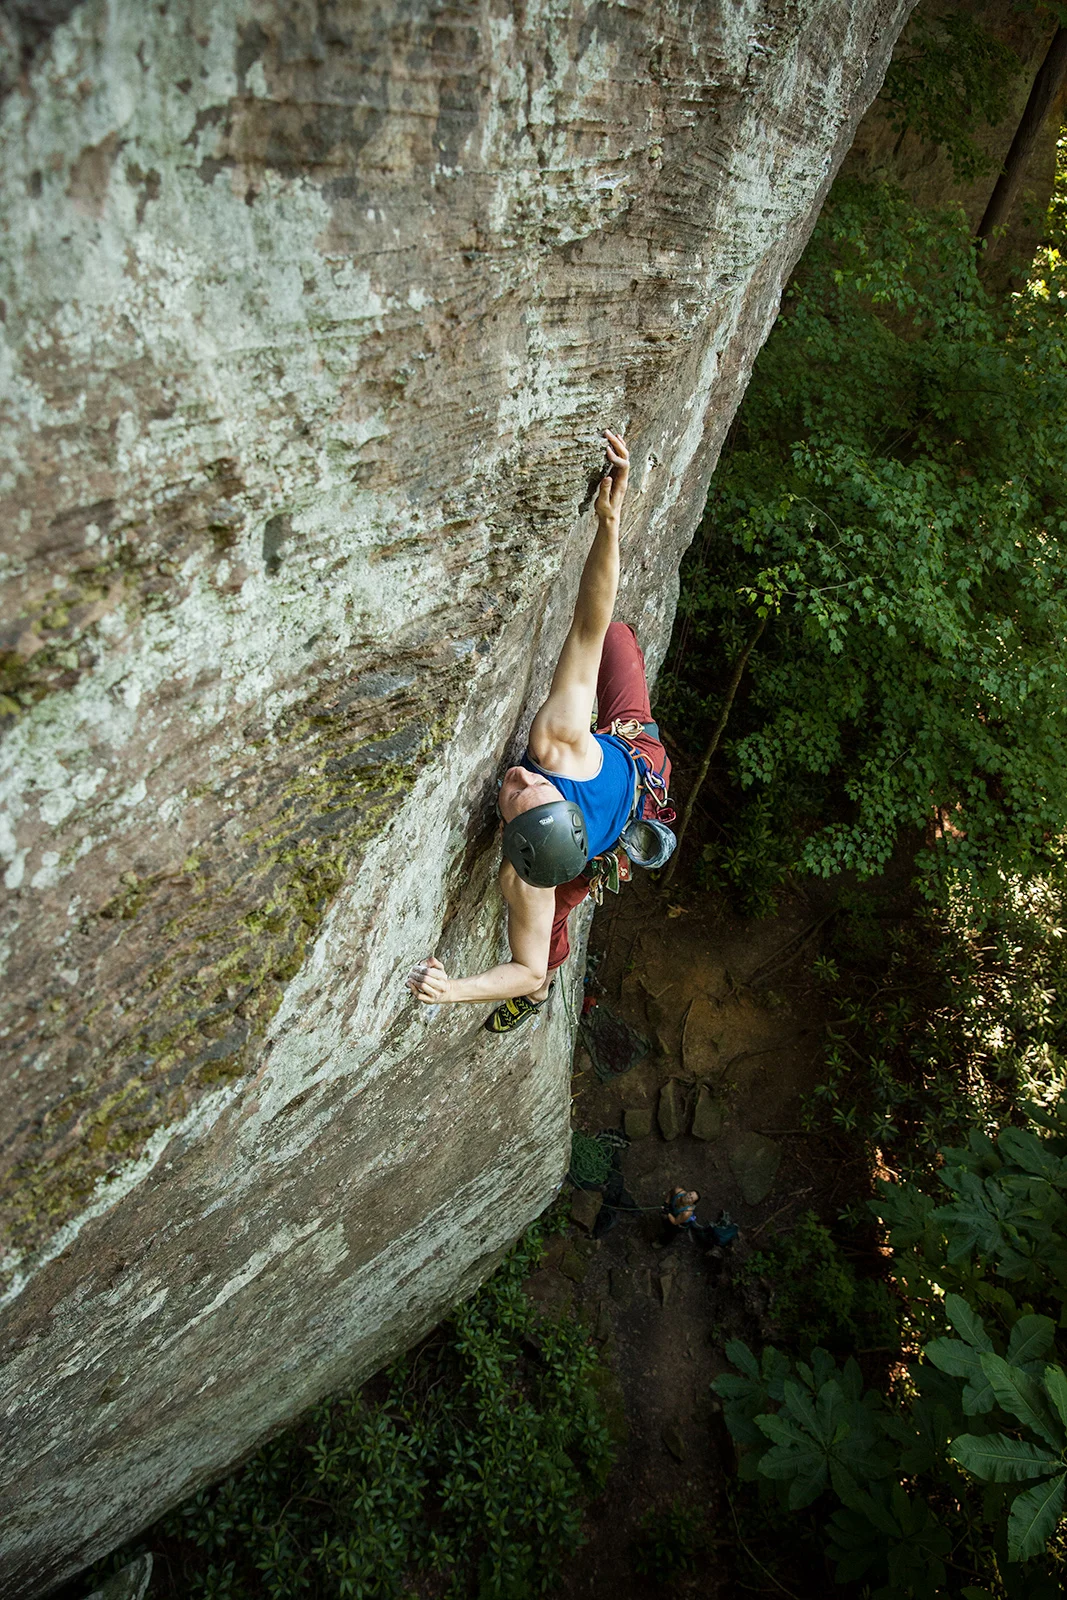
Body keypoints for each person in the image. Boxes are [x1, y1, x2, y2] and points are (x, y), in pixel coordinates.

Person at [406, 430, 672, 1033]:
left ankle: (547, 991)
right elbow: (587, 622)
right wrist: (610, 522)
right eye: (531, 784)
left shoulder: (536, 853)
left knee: (618, 635)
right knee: (615, 637)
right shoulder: (556, 758)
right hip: (630, 780)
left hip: (618, 807)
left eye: (518, 790)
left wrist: (452, 992)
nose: (521, 771)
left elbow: (522, 967)